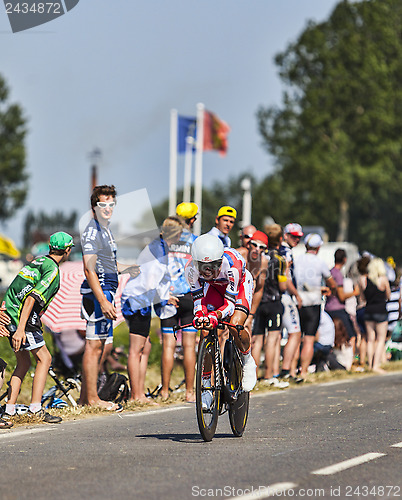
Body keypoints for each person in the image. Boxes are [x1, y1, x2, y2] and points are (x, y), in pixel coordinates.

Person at [2, 232, 74, 423]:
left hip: (10, 312)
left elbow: (15, 288)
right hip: (24, 318)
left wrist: (6, 310)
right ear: (67, 250)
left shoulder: (38, 261)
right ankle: (35, 408)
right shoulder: (53, 270)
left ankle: (9, 410)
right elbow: (32, 298)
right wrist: (20, 329)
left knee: (24, 362)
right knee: (45, 358)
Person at [79, 185, 140, 410]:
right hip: (99, 294)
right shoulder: (93, 230)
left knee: (103, 347)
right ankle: (92, 399)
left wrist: (128, 268)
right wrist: (103, 301)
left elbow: (109, 264)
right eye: (102, 204)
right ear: (94, 207)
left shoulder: (106, 229)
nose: (107, 208)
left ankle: (86, 398)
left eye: (110, 204)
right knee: (94, 346)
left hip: (108, 290)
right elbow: (89, 269)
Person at [185, 234, 256, 409]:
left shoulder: (233, 265)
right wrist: (201, 316)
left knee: (235, 324)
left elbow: (230, 306)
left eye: (214, 266)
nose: (209, 271)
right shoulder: (190, 270)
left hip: (238, 287)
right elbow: (198, 302)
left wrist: (214, 316)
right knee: (205, 330)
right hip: (214, 288)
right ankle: (206, 387)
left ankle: (247, 360)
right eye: (204, 267)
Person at [121, 216, 184, 403]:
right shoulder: (158, 250)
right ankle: (136, 396)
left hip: (141, 300)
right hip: (137, 301)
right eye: (179, 234)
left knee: (145, 346)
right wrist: (164, 299)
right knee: (136, 349)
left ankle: (139, 393)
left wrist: (165, 298)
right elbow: (149, 283)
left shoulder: (161, 247)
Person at [159, 203, 198, 402]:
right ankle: (190, 392)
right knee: (189, 347)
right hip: (189, 296)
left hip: (168, 296)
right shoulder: (194, 241)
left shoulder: (164, 239)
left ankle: (165, 391)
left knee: (168, 346)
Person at [293, 233, 337, 381]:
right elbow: (331, 282)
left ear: (306, 246)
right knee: (309, 339)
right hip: (313, 304)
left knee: (296, 337)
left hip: (298, 302)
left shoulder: (297, 260)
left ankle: (292, 369)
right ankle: (303, 371)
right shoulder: (320, 262)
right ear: (318, 248)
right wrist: (327, 289)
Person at [249, 224, 289, 388]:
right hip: (273, 301)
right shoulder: (280, 260)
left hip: (259, 302)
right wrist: (286, 273)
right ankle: (269, 375)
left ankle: (253, 376)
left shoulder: (259, 257)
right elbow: (283, 287)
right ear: (280, 239)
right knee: (272, 340)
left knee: (257, 340)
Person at [278, 223, 304, 381]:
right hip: (285, 295)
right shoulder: (285, 252)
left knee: (276, 336)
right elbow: (286, 277)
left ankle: (286, 369)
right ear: (285, 235)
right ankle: (287, 369)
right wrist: (297, 294)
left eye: (299, 237)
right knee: (295, 333)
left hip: (278, 296)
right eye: (294, 236)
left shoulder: (279, 249)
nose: (297, 239)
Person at [358, 257, 391, 373]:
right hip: (381, 310)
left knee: (370, 339)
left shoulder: (363, 279)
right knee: (381, 339)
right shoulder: (383, 279)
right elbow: (388, 295)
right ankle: (375, 365)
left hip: (368, 310)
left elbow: (362, 298)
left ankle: (370, 364)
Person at [325, 249, 360, 354]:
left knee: (334, 337)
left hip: (328, 308)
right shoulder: (338, 275)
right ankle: (350, 361)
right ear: (344, 260)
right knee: (351, 336)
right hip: (338, 309)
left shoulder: (330, 272)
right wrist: (354, 293)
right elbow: (341, 296)